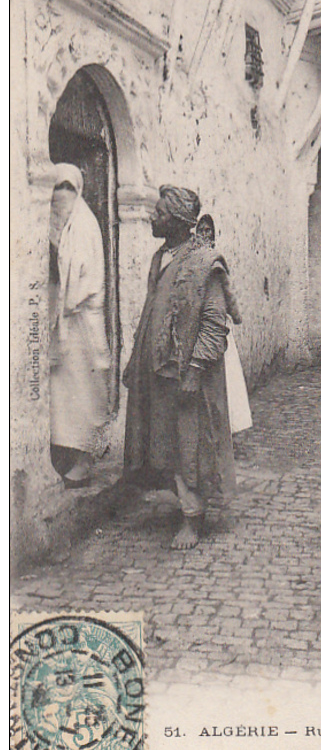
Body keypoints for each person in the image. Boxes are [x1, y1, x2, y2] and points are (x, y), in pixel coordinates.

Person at [123, 185, 236, 549]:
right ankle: (184, 504)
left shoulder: (206, 262)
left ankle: (193, 518)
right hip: (158, 369)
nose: (152, 218)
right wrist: (135, 362)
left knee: (191, 441)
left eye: (159, 213)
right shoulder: (161, 257)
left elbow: (214, 323)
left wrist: (194, 371)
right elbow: (150, 310)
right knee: (165, 438)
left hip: (190, 373)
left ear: (178, 221)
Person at [49, 163, 110, 488]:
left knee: (84, 392)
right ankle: (69, 455)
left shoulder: (84, 225)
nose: (62, 195)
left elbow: (85, 280)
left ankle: (85, 461)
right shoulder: (63, 223)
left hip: (83, 321)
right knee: (64, 392)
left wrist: (67, 303)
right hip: (68, 323)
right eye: (58, 188)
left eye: (68, 188)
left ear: (78, 190)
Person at [196, 212, 252, 435]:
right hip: (199, 327)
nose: (204, 234)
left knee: (227, 378)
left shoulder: (216, 261)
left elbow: (228, 293)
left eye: (208, 231)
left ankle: (229, 427)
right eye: (201, 230)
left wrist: (236, 316)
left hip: (218, 327)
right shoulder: (192, 259)